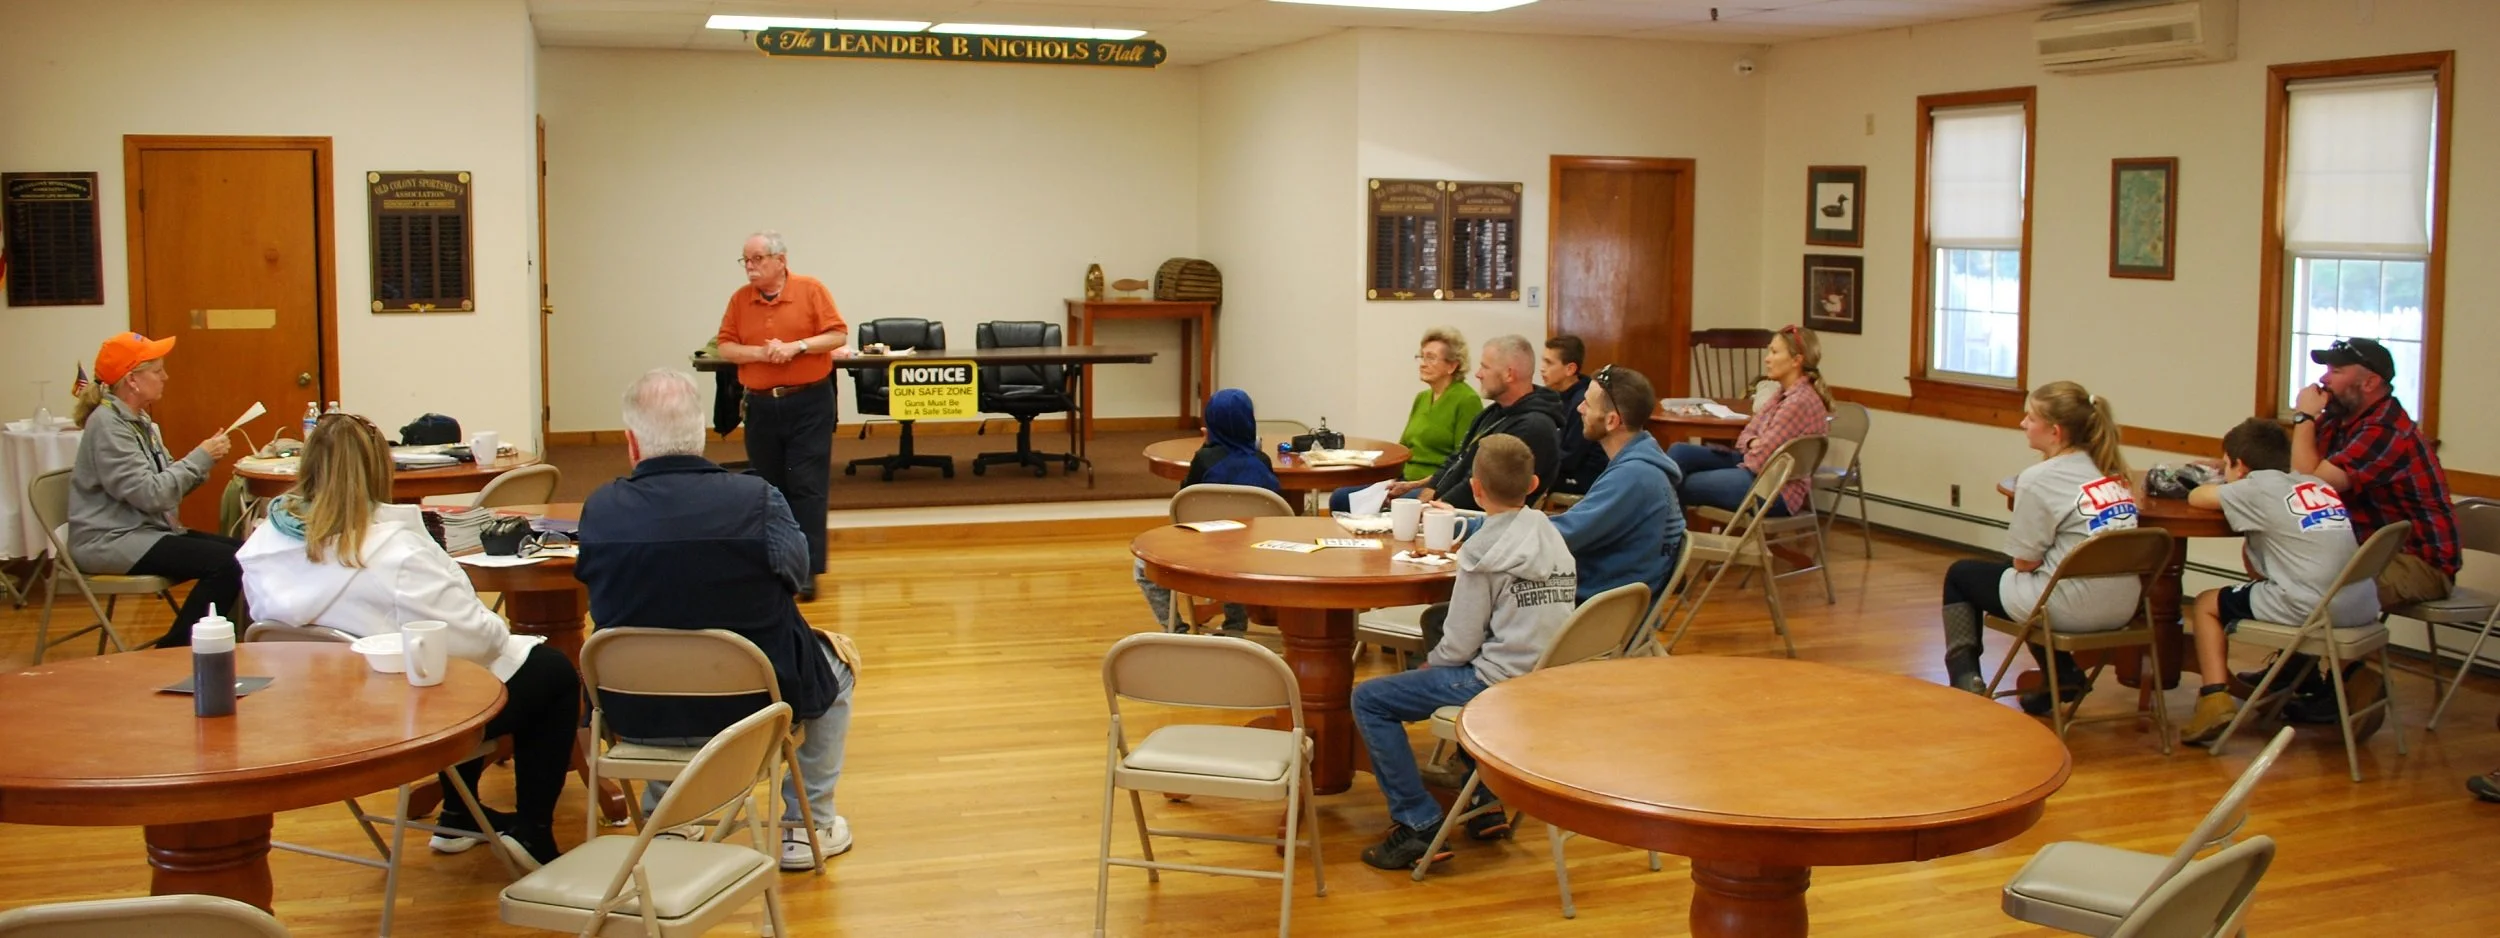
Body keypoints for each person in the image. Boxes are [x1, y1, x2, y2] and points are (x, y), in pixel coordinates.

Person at [236, 412, 576, 866]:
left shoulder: (262, 546)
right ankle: (533, 831)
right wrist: (500, 629)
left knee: (452, 668)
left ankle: (460, 815)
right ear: (381, 471)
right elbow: (474, 642)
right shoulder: (395, 553)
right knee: (547, 672)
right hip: (393, 717)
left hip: (306, 713)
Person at [574, 370, 858, 871]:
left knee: (658, 644)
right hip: (751, 708)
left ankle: (672, 820)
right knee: (838, 667)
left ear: (631, 442)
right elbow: (795, 574)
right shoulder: (757, 500)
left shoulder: (600, 510)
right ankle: (803, 825)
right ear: (701, 432)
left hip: (637, 710)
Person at [1353, 434, 1576, 870]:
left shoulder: (1480, 555)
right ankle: (1486, 798)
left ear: (1475, 489)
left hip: (1495, 685)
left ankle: (1418, 821)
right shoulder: (1550, 533)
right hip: (1545, 678)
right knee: (1436, 621)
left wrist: (1428, 667)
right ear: (1533, 485)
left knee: (1370, 699)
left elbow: (1458, 647)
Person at [1937, 381, 2140, 714]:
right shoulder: (2113, 475)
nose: (2022, 424)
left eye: (2030, 418)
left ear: (2055, 431)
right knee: (2026, 582)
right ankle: (2063, 674)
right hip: (2123, 605)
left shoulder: (2039, 478)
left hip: (2071, 606)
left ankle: (1965, 680)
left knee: (1962, 575)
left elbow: (2024, 563)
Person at [2176, 418, 2376, 745]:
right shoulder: (2315, 485)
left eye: (2227, 464)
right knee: (2286, 583)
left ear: (2240, 467)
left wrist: (2215, 479)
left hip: (2312, 608)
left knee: (2205, 604)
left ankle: (2214, 699)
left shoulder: (2255, 488)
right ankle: (2355, 675)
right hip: (2361, 604)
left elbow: (2198, 497)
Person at [67, 332, 239, 648]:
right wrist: (200, 458)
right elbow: (152, 495)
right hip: (110, 540)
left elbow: (163, 486)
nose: (165, 377)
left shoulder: (137, 420)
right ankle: (175, 650)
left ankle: (217, 643)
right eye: (157, 371)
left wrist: (202, 462)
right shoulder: (109, 425)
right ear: (132, 380)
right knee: (229, 563)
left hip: (142, 529)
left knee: (245, 554)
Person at [715, 230, 848, 600]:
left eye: (758, 259)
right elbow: (725, 346)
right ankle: (775, 565)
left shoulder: (810, 290)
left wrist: (796, 347)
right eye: (746, 260)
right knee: (769, 487)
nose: (750, 268)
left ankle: (806, 571)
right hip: (760, 405)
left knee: (806, 485)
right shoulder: (740, 301)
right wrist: (760, 354)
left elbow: (837, 335)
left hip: (809, 402)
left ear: (780, 260)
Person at [2292, 337, 2458, 607]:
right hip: (2364, 551)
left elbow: (2311, 483)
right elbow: (2299, 461)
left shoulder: (2387, 429)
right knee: (2272, 559)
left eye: (2336, 371)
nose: (2324, 378)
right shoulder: (2338, 419)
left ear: (2369, 383)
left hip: (2418, 563)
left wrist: (2304, 417)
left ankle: (2331, 649)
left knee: (2317, 589)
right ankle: (2307, 649)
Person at [1136, 389, 1281, 635]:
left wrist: (1207, 446)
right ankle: (1235, 626)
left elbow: (1185, 501)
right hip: (1257, 554)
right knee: (1237, 550)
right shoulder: (1263, 461)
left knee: (1142, 566)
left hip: (1205, 551)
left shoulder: (1204, 459)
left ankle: (1176, 630)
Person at [1387, 335, 1568, 512]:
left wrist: (1432, 509)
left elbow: (1486, 487)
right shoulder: (1495, 413)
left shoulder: (1533, 427)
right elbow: (1459, 458)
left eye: (1485, 367)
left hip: (1477, 520)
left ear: (1509, 374)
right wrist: (1430, 488)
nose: (1478, 374)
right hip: (1451, 508)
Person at [1550, 365, 1684, 604]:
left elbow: (1558, 536)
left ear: (1612, 421)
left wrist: (1483, 526)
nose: (1579, 408)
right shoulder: (1641, 468)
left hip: (1594, 615)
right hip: (1611, 608)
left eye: (1587, 405)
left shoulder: (1633, 478)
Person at [1665, 324, 1830, 517]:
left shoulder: (1798, 402)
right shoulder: (1780, 394)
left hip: (1772, 490)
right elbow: (1746, 436)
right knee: (1679, 452)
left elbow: (1759, 461)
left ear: (1796, 360)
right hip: (1753, 468)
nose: (1767, 359)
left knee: (1679, 483)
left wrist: (1753, 447)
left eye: (1774, 352)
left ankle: (1668, 540)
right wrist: (1753, 442)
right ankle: (1668, 536)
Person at [1328, 328, 1481, 513]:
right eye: (1421, 357)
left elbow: (1461, 463)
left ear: (1452, 366)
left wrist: (1415, 485)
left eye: (1431, 358)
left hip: (1434, 486)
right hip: (1403, 481)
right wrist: (1389, 480)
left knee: (1393, 507)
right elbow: (1405, 448)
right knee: (1340, 498)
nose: (1423, 364)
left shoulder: (1467, 400)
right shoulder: (1422, 397)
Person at [1540, 335, 1608, 498]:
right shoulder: (1554, 395)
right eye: (1543, 361)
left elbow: (1570, 458)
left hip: (1584, 477)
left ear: (1570, 369)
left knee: (1526, 480)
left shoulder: (1582, 403)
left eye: (1549, 363)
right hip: (1566, 469)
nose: (1542, 368)